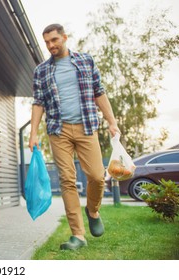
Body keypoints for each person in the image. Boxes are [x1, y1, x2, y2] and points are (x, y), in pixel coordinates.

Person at [28, 24, 120, 250]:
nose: (51, 45)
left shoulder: (85, 61)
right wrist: (32, 135)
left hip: (87, 127)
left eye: (54, 40)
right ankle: (77, 235)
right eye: (47, 42)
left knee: (97, 176)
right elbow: (38, 103)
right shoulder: (41, 70)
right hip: (58, 131)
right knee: (67, 180)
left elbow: (99, 92)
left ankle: (93, 210)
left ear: (64, 38)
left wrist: (112, 121)